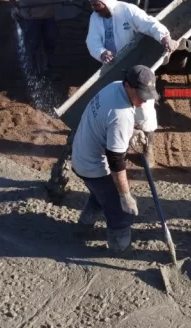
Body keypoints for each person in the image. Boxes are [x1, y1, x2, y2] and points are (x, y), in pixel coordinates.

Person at [71, 65, 159, 253]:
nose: (144, 100)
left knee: (101, 195)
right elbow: (116, 161)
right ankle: (119, 249)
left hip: (81, 152)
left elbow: (106, 121)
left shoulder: (114, 86)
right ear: (128, 86)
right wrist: (125, 196)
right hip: (92, 166)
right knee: (120, 212)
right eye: (141, 94)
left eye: (147, 95)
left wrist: (131, 132)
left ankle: (83, 227)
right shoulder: (122, 116)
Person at [85, 0, 178, 65]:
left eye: (96, 5)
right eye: (92, 5)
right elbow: (92, 40)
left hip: (133, 58)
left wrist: (164, 37)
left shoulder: (127, 10)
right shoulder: (95, 17)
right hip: (112, 63)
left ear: (105, 2)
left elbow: (148, 23)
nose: (94, 8)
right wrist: (102, 53)